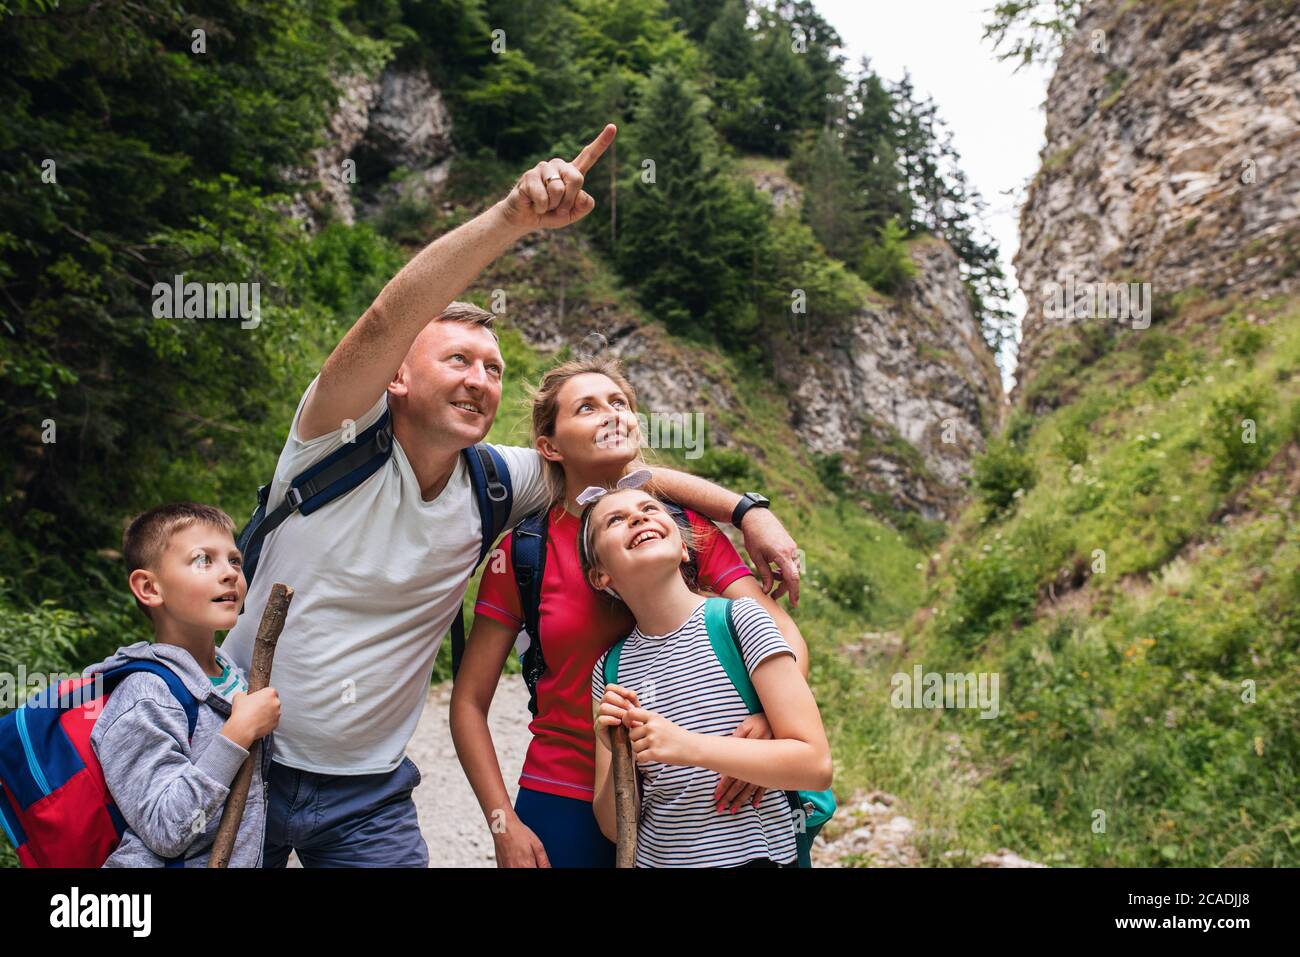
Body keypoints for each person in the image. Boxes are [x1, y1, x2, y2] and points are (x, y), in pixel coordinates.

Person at [220, 123, 804, 867]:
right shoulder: (331, 435)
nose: (480, 378)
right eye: (458, 359)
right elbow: (382, 320)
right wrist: (511, 220)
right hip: (244, 748)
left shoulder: (496, 478)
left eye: (494, 369)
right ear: (397, 377)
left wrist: (745, 509)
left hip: (366, 790)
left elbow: (623, 475)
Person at [452, 356, 809, 867]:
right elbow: (468, 703)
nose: (611, 414)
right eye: (588, 407)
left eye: (620, 403)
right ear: (549, 446)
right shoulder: (524, 553)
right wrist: (502, 821)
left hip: (694, 784)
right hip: (565, 792)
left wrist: (769, 726)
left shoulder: (680, 528)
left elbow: (783, 639)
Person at [585, 482, 832, 868]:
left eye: (650, 509)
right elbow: (615, 828)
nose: (637, 517)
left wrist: (688, 747)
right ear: (601, 575)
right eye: (614, 520)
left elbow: (815, 765)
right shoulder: (610, 669)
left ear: (684, 548)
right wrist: (623, 753)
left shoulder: (741, 621)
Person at [84, 502, 281, 867]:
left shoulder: (232, 678)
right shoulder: (145, 695)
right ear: (149, 587)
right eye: (203, 560)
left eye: (234, 560)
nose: (229, 574)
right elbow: (165, 829)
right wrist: (237, 735)